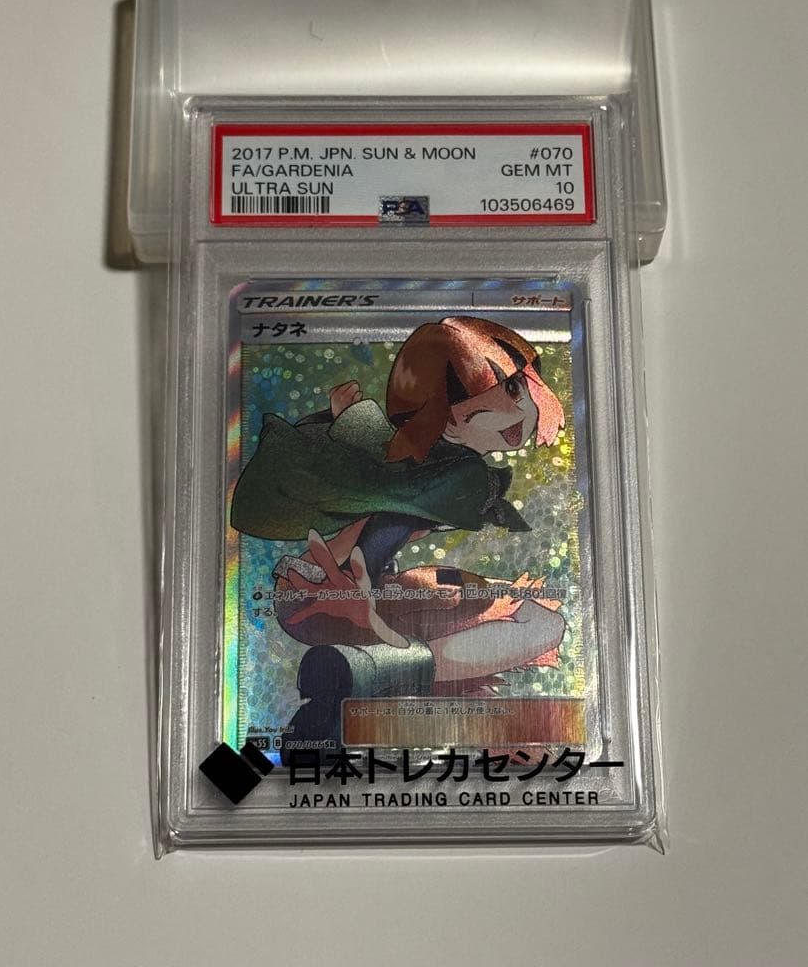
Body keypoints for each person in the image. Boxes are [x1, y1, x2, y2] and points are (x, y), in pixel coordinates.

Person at [231, 316, 567, 750]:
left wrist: (353, 425)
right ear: (444, 418)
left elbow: (386, 490)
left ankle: (367, 675)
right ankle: (373, 671)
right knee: (540, 622)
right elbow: (388, 492)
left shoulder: (438, 470)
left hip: (345, 595)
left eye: (516, 388)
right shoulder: (454, 475)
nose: (517, 411)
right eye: (483, 401)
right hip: (322, 594)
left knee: (539, 619)